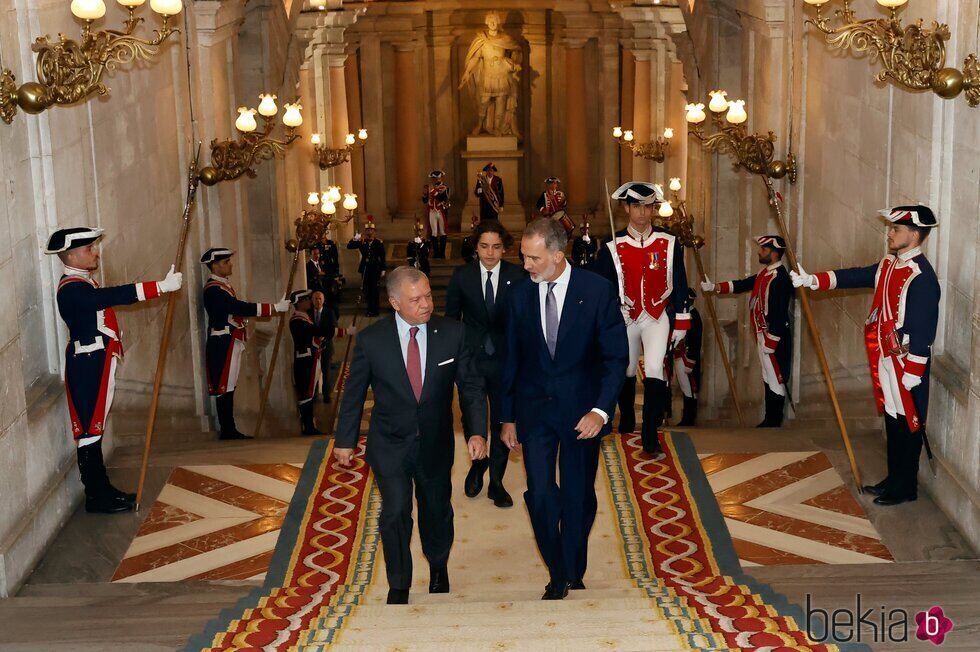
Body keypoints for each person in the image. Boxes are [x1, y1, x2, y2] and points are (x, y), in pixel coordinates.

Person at [334, 267, 488, 604]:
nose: (425, 304)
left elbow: (472, 388)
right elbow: (354, 394)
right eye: (415, 299)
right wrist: (344, 441)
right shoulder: (372, 340)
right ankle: (399, 583)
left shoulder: (453, 333)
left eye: (429, 296)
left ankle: (437, 564)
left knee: (435, 508)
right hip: (389, 443)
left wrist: (477, 432)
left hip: (435, 442)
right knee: (395, 511)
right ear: (394, 302)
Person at [500, 218, 628, 600]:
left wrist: (600, 411)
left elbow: (615, 358)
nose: (526, 265)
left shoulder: (598, 290)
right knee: (539, 494)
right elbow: (512, 361)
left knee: (578, 495)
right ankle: (558, 572)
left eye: (534, 258)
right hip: (535, 412)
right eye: (523, 257)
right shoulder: (519, 296)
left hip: (582, 414)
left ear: (558, 255)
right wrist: (506, 417)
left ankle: (574, 565)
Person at [791, 206, 940, 506]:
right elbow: (857, 275)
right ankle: (894, 479)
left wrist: (913, 371)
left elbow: (923, 328)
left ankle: (905, 487)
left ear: (913, 234)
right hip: (886, 356)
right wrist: (814, 280)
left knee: (908, 423)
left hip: (906, 364)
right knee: (892, 419)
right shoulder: (889, 263)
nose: (890, 233)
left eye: (896, 229)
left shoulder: (921, 276)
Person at [46, 227, 183, 513]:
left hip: (97, 360)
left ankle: (103, 489)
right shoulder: (72, 288)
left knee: (95, 430)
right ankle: (96, 496)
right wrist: (158, 287)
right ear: (71, 255)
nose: (95, 252)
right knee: (90, 431)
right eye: (89, 249)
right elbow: (108, 298)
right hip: (88, 365)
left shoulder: (82, 281)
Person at [593, 181, 691, 456]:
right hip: (626, 317)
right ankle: (625, 421)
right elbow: (602, 286)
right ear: (626, 208)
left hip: (657, 316)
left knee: (655, 369)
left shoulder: (669, 242)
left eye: (648, 207)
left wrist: (682, 319)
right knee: (624, 370)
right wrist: (613, 307)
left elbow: (680, 281)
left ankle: (650, 435)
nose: (643, 213)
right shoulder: (612, 245)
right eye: (637, 206)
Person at [445, 219, 525, 508]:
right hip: (472, 359)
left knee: (503, 419)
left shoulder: (518, 276)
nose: (490, 253)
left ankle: (497, 483)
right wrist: (450, 359)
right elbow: (452, 320)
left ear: (504, 249)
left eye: (496, 247)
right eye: (484, 246)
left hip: (506, 359)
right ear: (476, 247)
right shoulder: (461, 277)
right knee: (472, 415)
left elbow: (525, 320)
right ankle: (479, 460)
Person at [702, 235, 793, 427]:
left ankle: (774, 420)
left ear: (774, 253)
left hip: (773, 336)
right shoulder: (764, 274)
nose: (759, 252)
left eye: (763, 249)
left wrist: (772, 339)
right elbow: (742, 284)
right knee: (767, 375)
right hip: (762, 334)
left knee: (775, 377)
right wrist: (716, 287)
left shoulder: (780, 278)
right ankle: (769, 417)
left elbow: (779, 312)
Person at [201, 247, 289, 440]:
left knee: (230, 384)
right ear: (215, 266)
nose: (230, 264)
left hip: (231, 340)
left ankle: (229, 428)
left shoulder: (223, 286)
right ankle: (227, 429)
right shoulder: (214, 290)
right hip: (222, 340)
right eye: (226, 262)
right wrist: (273, 308)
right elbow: (236, 307)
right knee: (224, 385)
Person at [289, 290, 324, 435]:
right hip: (305, 360)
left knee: (310, 393)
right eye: (307, 299)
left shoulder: (305, 318)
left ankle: (310, 425)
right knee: (306, 394)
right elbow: (313, 331)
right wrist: (342, 331)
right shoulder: (298, 320)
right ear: (300, 302)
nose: (310, 301)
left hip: (311, 359)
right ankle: (308, 426)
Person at [673, 289, 703, 426]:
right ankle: (686, 417)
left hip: (687, 356)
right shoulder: (685, 315)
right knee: (685, 387)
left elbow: (696, 341)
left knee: (690, 388)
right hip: (679, 354)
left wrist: (691, 360)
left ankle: (689, 418)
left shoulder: (693, 316)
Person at [347, 218, 386, 317]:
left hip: (375, 269)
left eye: (371, 230)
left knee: (374, 290)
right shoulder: (362, 242)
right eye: (367, 230)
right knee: (366, 290)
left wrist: (383, 269)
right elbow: (349, 246)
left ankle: (375, 310)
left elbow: (382, 257)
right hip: (365, 268)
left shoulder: (378, 243)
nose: (369, 232)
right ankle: (369, 310)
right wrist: (356, 238)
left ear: (374, 231)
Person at [310, 290, 336, 403]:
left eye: (320, 298)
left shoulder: (329, 312)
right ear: (312, 300)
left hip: (326, 346)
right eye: (316, 298)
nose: (318, 301)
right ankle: (314, 393)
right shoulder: (308, 313)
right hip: (312, 346)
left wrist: (323, 339)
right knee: (313, 370)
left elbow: (333, 328)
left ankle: (327, 394)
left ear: (323, 300)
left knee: (326, 371)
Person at [422, 170, 450, 259]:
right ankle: (436, 253)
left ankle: (442, 253)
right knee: (433, 232)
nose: (436, 180)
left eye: (438, 178)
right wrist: (425, 195)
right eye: (434, 178)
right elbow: (425, 201)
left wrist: (434, 191)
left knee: (442, 231)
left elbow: (442, 198)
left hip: (440, 210)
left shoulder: (445, 187)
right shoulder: (429, 188)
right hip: (432, 211)